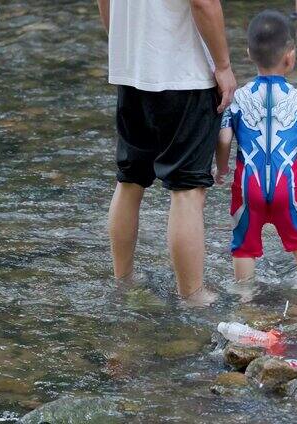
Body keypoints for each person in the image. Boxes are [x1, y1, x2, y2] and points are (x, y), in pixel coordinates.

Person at [96, 0, 236, 306]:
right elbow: (203, 2)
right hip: (184, 74)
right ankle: (192, 295)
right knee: (187, 190)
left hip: (131, 71)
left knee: (130, 180)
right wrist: (223, 66)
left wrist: (123, 47)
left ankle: (124, 280)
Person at [216, 10, 297, 283]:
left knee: (243, 244)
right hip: (286, 187)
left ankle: (244, 296)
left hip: (247, 186)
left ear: (249, 54)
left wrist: (221, 168)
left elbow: (224, 139)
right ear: (290, 56)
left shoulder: (238, 99)